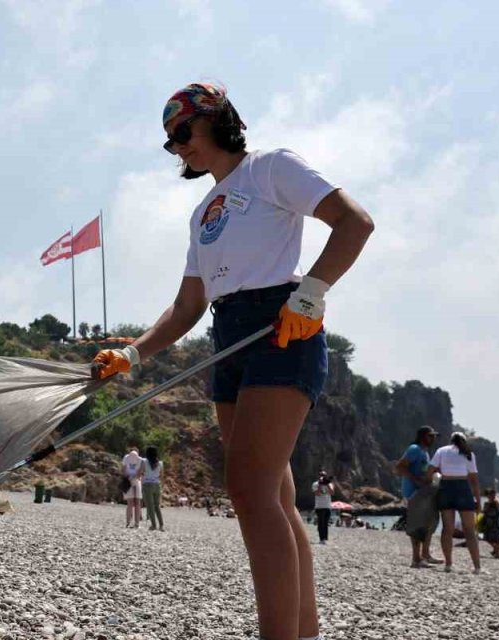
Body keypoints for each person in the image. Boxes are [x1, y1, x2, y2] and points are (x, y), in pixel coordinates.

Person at [91, 82, 374, 640]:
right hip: (230, 338)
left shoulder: (271, 167)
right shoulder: (202, 214)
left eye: (181, 133)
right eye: (168, 142)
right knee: (275, 498)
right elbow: (188, 306)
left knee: (247, 490)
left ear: (216, 119)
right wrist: (130, 353)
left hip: (282, 324)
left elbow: (354, 222)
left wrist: (312, 293)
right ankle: (304, 632)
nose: (177, 149)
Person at [426, 433, 483, 574]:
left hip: (446, 487)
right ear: (463, 441)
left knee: (447, 528)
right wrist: (478, 501)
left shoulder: (441, 451)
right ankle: (477, 567)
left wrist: (436, 477)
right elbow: (474, 481)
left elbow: (429, 471)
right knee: (470, 530)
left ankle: (448, 564)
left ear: (450, 440)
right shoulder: (468, 453)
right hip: (462, 488)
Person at [394, 425, 444, 568]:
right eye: (431, 436)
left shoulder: (425, 452)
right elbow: (400, 467)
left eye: (434, 436)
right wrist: (416, 480)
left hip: (424, 492)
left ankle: (425, 555)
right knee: (417, 525)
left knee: (428, 523)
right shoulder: (414, 449)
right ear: (423, 436)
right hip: (414, 492)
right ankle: (416, 559)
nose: (433, 438)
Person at [142, 446, 165, 531]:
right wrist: (161, 486)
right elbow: (162, 476)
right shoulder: (160, 463)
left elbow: (140, 472)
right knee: (157, 506)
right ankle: (161, 525)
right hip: (157, 485)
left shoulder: (144, 461)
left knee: (150, 506)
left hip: (147, 485)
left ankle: (153, 525)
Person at [122, 447, 145, 528]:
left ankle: (128, 522)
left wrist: (128, 477)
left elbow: (124, 469)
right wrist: (134, 477)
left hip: (128, 480)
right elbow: (141, 471)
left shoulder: (126, 457)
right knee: (137, 503)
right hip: (136, 480)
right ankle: (136, 523)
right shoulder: (141, 460)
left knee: (130, 503)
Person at [311, 471, 333, 545]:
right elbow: (317, 493)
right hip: (319, 506)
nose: (323, 476)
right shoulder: (315, 484)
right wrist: (320, 484)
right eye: (321, 475)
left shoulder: (329, 484)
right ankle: (321, 538)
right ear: (319, 476)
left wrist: (327, 484)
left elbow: (332, 492)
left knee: (326, 523)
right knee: (321, 522)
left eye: (324, 475)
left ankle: (325, 538)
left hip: (327, 506)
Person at [480, 488, 499, 559]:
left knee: (496, 538)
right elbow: (483, 512)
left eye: (492, 495)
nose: (490, 496)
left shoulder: (496, 502)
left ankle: (497, 552)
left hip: (495, 522)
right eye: (490, 495)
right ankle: (496, 551)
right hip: (488, 522)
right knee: (487, 538)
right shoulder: (486, 503)